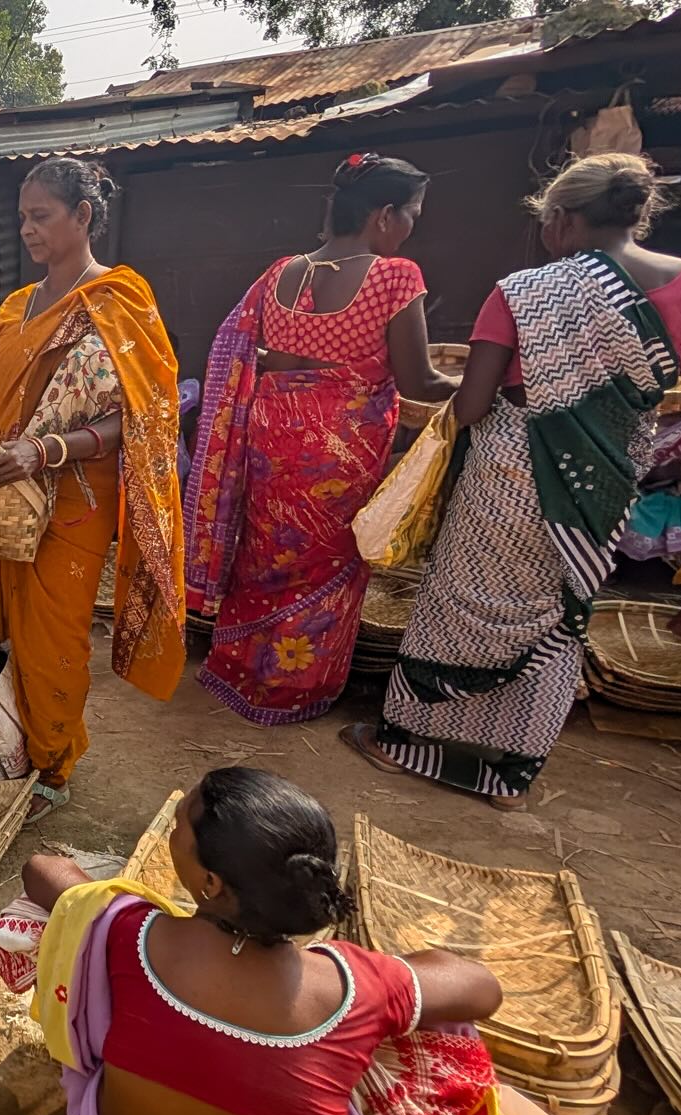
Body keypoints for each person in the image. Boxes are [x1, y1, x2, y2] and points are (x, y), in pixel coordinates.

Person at [7, 768, 503, 1115]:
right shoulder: (354, 988)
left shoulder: (130, 935)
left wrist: (106, 898)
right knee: (440, 1031)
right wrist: (388, 975)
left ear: (211, 883)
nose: (175, 830)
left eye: (180, 825)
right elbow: (482, 989)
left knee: (78, 946)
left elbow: (43, 871)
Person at [345, 154, 681, 808]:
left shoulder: (523, 292)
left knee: (460, 606)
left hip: (509, 477)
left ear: (563, 220)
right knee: (558, 619)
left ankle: (406, 747)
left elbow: (474, 406)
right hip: (603, 488)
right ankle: (507, 775)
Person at [186, 155, 459, 726]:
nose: (412, 226)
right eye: (411, 214)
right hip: (339, 455)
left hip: (270, 440)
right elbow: (419, 381)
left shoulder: (280, 273)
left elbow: (260, 358)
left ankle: (239, 673)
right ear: (384, 215)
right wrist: (483, 378)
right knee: (329, 563)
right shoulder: (394, 276)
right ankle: (291, 691)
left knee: (263, 556)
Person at [0, 159, 188, 822]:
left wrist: (46, 449)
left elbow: (144, 414)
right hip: (3, 492)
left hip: (70, 501)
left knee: (49, 636)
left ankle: (51, 767)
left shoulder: (118, 303)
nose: (27, 229)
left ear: (83, 216)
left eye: (42, 216)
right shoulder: (13, 309)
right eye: (23, 216)